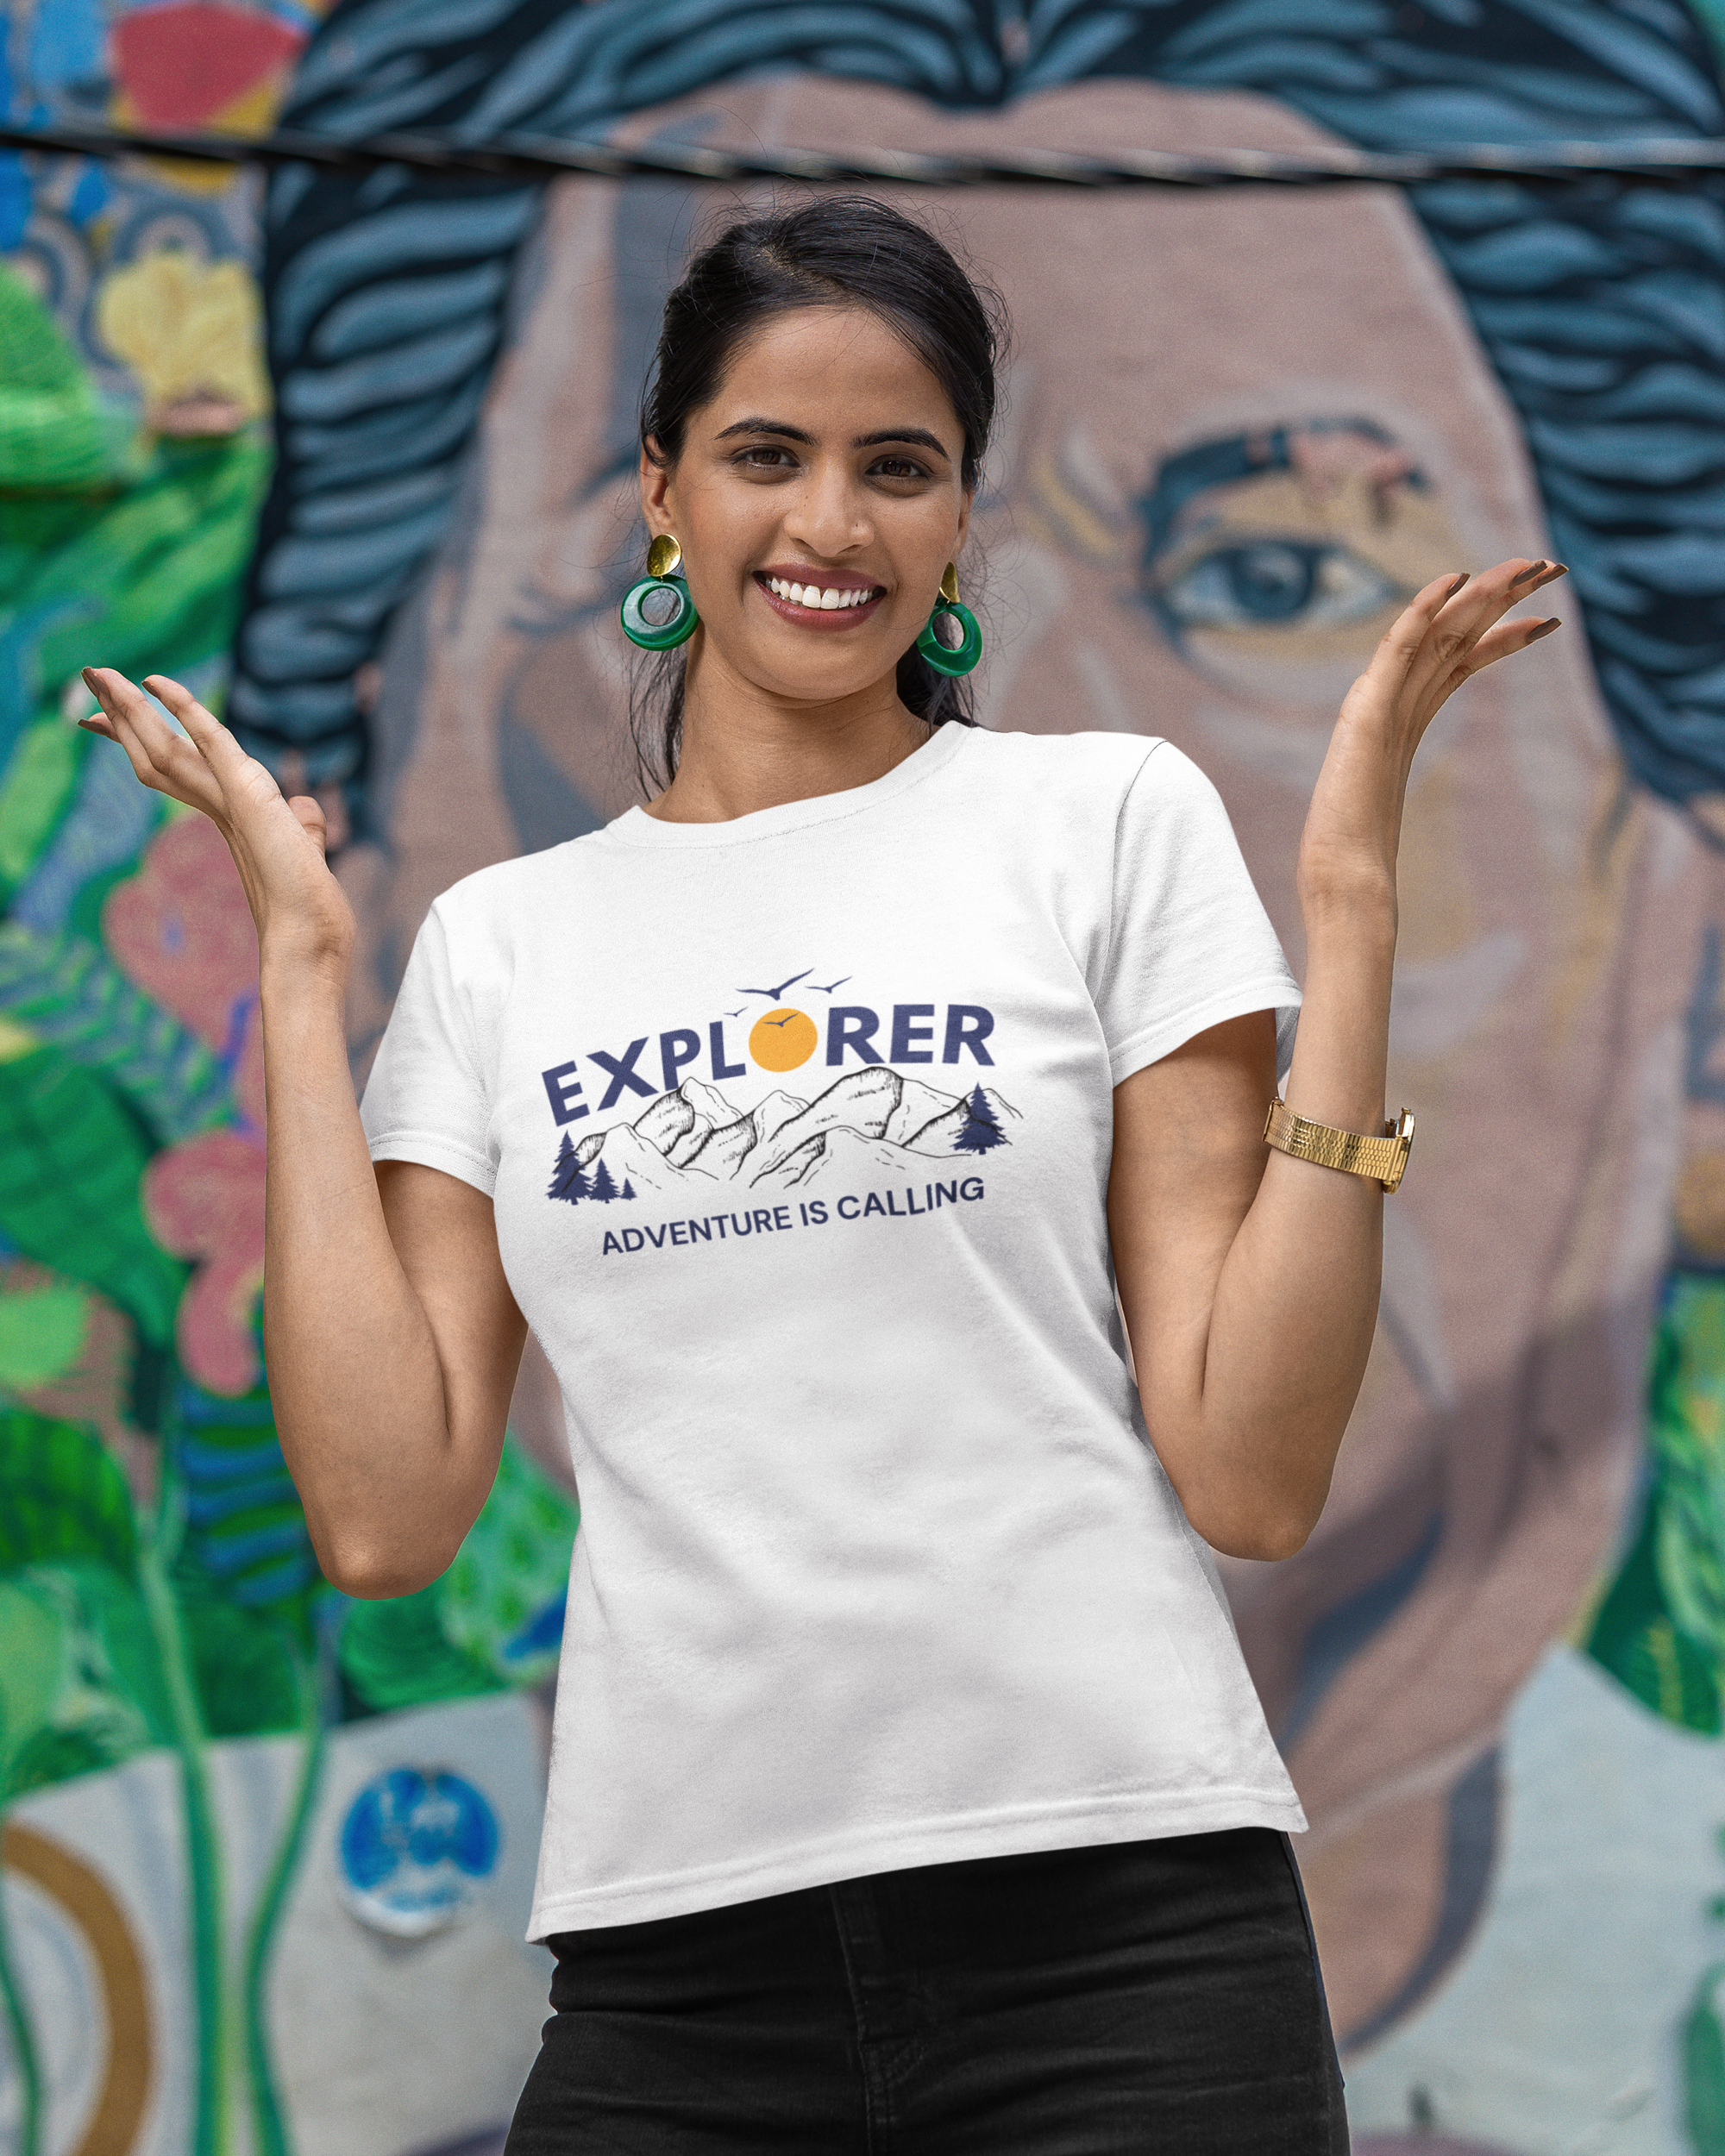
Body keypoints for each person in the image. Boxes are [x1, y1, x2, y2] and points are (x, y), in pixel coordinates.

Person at [79, 197, 1566, 2152]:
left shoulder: (1098, 823)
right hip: (677, 1967)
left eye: (899, 466)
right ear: (658, 489)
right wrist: (294, 978)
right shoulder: (504, 944)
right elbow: (380, 1511)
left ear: (961, 517)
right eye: (766, 454)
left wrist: (1350, 917)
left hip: (1120, 1936)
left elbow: (1252, 1467)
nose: (830, 525)